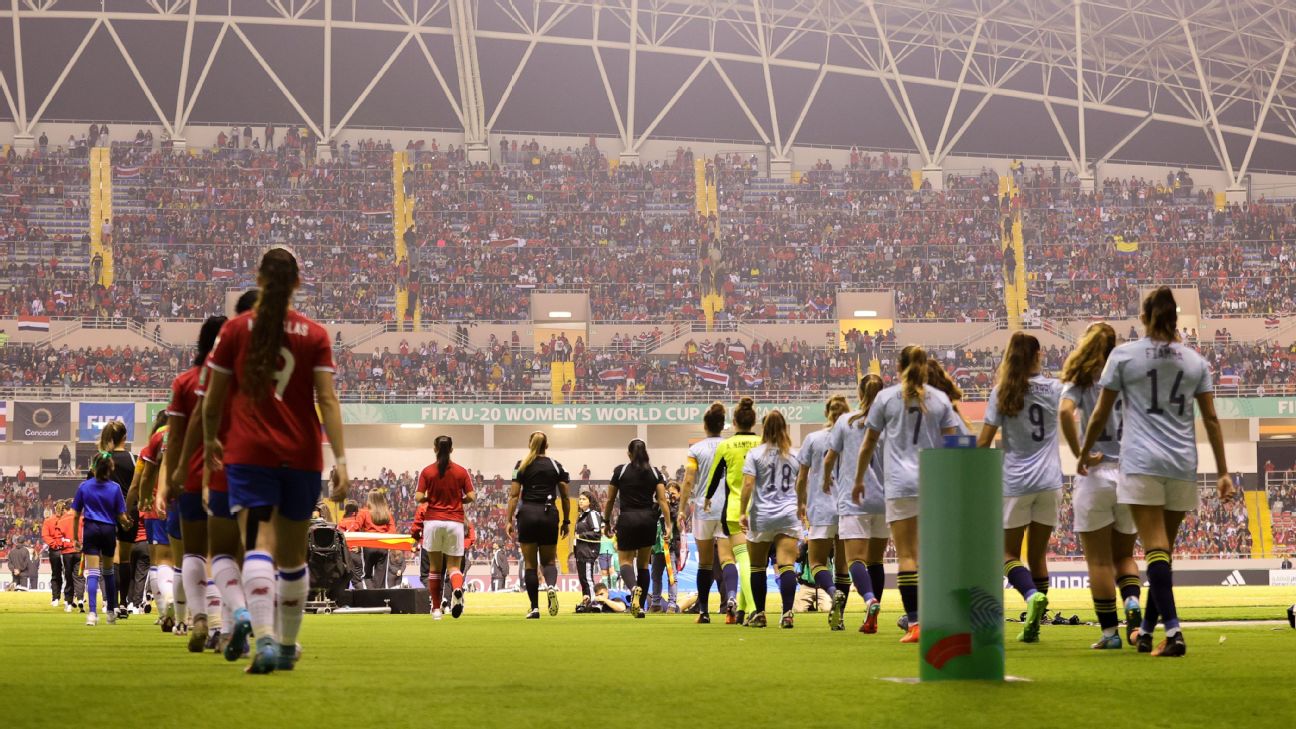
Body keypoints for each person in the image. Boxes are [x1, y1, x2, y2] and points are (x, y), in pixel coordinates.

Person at [202, 247, 350, 673]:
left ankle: (263, 639)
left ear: (259, 279)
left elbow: (213, 401)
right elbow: (327, 398)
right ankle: (286, 646)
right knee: (293, 558)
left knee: (258, 547)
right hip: (302, 456)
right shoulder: (315, 334)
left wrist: (212, 440)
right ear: (297, 283)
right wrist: (340, 458)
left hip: (249, 455)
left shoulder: (234, 331)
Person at [1077, 287, 1233, 657]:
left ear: (1143, 318)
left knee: (1155, 549)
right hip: (1182, 464)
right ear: (1174, 320)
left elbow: (1100, 413)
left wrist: (1084, 451)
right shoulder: (1195, 361)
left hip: (1142, 463)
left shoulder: (1123, 355)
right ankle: (1146, 630)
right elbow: (1211, 418)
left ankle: (1175, 632)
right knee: (1161, 553)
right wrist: (1223, 471)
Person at [853, 346, 962, 644]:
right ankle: (938, 615)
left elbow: (868, 443)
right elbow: (954, 443)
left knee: (906, 556)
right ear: (925, 367)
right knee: (930, 555)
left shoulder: (886, 398)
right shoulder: (939, 398)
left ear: (898, 366)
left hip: (900, 485)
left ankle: (915, 623)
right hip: (933, 483)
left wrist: (859, 479)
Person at [1059, 322, 1143, 649]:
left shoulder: (1080, 379)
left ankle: (1110, 633)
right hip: (1130, 473)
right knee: (1125, 556)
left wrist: (1079, 452)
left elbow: (1066, 413)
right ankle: (1133, 603)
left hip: (1097, 474)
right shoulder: (1129, 376)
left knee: (1098, 561)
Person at [978, 332, 1063, 644]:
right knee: (1039, 555)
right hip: (1051, 481)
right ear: (1038, 355)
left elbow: (984, 442)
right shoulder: (1056, 388)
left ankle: (1030, 596)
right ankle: (1035, 622)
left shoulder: (1003, 391)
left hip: (1015, 482)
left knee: (1007, 553)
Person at [160, 315, 227, 649]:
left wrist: (173, 475)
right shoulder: (236, 380)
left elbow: (174, 438)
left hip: (191, 475)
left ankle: (198, 619)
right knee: (226, 555)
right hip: (230, 476)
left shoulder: (184, 382)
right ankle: (222, 626)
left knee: (193, 553)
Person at [823, 376, 890, 633]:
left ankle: (869, 599)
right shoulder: (888, 423)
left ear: (859, 392)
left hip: (855, 498)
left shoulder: (845, 422)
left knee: (855, 561)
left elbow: (830, 457)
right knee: (876, 561)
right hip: (883, 499)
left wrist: (826, 480)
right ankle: (871, 617)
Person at [739, 411, 802, 628]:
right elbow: (802, 485)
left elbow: (748, 485)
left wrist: (741, 512)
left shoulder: (755, 454)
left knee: (757, 566)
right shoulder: (794, 455)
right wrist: (802, 507)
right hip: (787, 514)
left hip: (762, 515)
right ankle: (787, 613)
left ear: (764, 429)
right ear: (785, 428)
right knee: (786, 565)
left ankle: (760, 614)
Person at [795, 395, 851, 630]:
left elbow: (802, 477)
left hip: (821, 507)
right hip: (847, 506)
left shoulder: (813, 439)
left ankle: (831, 592)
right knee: (843, 566)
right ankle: (840, 617)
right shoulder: (852, 438)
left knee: (816, 562)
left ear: (826, 413)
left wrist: (801, 503)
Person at [705, 397, 762, 625]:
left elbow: (714, 476)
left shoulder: (726, 445)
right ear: (753, 421)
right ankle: (742, 611)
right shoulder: (762, 443)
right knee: (754, 562)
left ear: (735, 422)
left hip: (735, 510)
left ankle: (755, 609)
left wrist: (708, 498)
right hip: (761, 511)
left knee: (743, 560)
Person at [504, 431, 571, 619]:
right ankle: (550, 586)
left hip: (527, 515)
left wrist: (509, 520)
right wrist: (566, 521)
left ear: (529, 444)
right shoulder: (556, 466)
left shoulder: (521, 465)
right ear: (546, 446)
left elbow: (514, 495)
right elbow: (565, 496)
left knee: (530, 565)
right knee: (549, 561)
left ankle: (534, 607)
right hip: (549, 514)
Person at [602, 440, 671, 618]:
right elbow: (662, 500)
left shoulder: (621, 471)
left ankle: (634, 589)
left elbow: (610, 499)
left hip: (628, 519)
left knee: (625, 561)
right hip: (648, 520)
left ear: (629, 454)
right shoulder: (655, 472)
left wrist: (606, 520)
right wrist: (668, 525)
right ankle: (639, 607)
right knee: (643, 565)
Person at [416, 435, 475, 619]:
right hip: (454, 522)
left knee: (434, 568)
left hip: (433, 521)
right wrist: (460, 500)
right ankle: (456, 589)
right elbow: (472, 496)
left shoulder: (427, 471)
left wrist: (428, 498)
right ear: (451, 449)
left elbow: (418, 497)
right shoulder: (461, 471)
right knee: (454, 567)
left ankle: (435, 610)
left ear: (435, 449)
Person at [677, 402, 726, 623]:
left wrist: (681, 508)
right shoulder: (730, 446)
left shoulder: (696, 449)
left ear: (705, 426)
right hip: (727, 509)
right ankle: (732, 602)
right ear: (722, 425)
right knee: (728, 560)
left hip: (704, 509)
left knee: (705, 562)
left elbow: (688, 480)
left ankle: (704, 611)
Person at [73, 452, 128, 626]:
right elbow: (121, 516)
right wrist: (127, 523)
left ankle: (92, 614)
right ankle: (111, 612)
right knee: (109, 572)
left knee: (92, 572)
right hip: (108, 530)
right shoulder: (115, 488)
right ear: (111, 468)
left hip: (90, 529)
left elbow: (75, 514)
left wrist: (75, 537)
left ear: (93, 467)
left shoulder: (84, 487)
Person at [134, 413, 174, 628]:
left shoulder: (149, 447)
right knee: (187, 559)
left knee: (159, 562)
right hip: (182, 503)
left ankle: (164, 610)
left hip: (153, 511)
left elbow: (141, 479)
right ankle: (190, 612)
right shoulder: (185, 437)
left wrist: (140, 500)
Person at [98, 420, 139, 618]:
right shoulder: (134, 459)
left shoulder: (102, 458)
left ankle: (111, 604)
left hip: (106, 511)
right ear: (125, 437)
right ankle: (124, 604)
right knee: (125, 558)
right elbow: (137, 486)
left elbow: (92, 485)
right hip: (129, 511)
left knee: (110, 558)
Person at [649, 482, 682, 612]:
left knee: (672, 576)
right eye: (668, 493)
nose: (670, 496)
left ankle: (672, 605)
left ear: (679, 494)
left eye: (673, 493)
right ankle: (656, 603)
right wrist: (660, 503)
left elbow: (675, 517)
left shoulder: (679, 508)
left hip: (671, 547)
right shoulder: (657, 507)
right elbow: (650, 517)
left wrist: (667, 505)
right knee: (655, 576)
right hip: (657, 547)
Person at [356, 490, 395, 588]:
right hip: (383, 546)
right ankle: (380, 599)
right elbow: (392, 531)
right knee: (381, 578)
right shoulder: (387, 513)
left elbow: (356, 527)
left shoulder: (364, 512)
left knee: (367, 575)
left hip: (368, 546)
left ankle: (371, 598)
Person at [573, 492, 604, 610]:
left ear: (590, 502)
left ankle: (594, 604)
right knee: (583, 579)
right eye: (580, 499)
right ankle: (587, 601)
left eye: (584, 499)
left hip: (588, 551)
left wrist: (580, 535)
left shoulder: (593, 514)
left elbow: (597, 532)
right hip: (581, 551)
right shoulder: (582, 515)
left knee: (588, 579)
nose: (580, 501)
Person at [56, 499, 84, 611]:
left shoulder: (62, 520)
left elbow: (58, 539)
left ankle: (68, 602)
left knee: (68, 576)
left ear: (65, 508)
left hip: (66, 552)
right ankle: (81, 599)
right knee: (79, 576)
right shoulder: (82, 518)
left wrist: (66, 543)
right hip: (79, 551)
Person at [42, 505, 67, 606]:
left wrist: (54, 544)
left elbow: (45, 535)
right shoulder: (68, 519)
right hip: (66, 549)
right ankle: (68, 599)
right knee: (69, 575)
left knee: (56, 574)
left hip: (55, 550)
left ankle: (55, 598)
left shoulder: (48, 521)